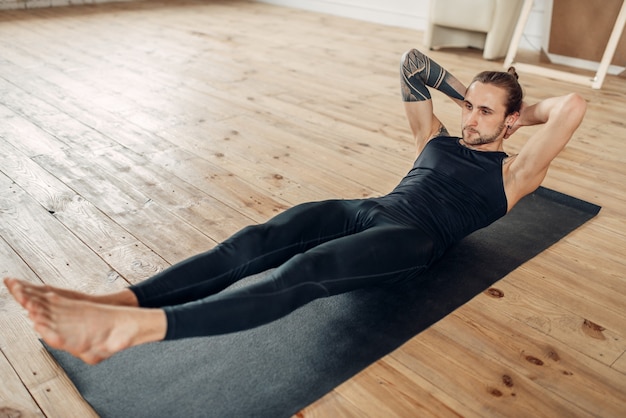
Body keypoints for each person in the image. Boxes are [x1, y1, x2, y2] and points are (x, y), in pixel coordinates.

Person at [4, 49, 586, 365]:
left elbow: (573, 106)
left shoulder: (514, 174)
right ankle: (114, 301)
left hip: (414, 240)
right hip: (368, 207)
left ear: (511, 121)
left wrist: (513, 111)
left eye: (485, 114)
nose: (469, 120)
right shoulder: (434, 136)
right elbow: (412, 64)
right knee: (254, 241)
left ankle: (135, 329)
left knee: (303, 273)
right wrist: (473, 96)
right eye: (466, 108)